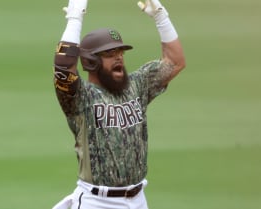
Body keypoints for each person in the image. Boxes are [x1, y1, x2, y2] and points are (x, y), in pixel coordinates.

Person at [51, 0, 185, 208]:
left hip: (138, 200)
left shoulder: (137, 86)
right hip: (97, 202)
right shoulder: (81, 98)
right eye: (110, 54)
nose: (119, 58)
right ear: (90, 61)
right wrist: (75, 19)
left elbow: (175, 62)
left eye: (120, 53)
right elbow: (63, 70)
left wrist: (161, 18)